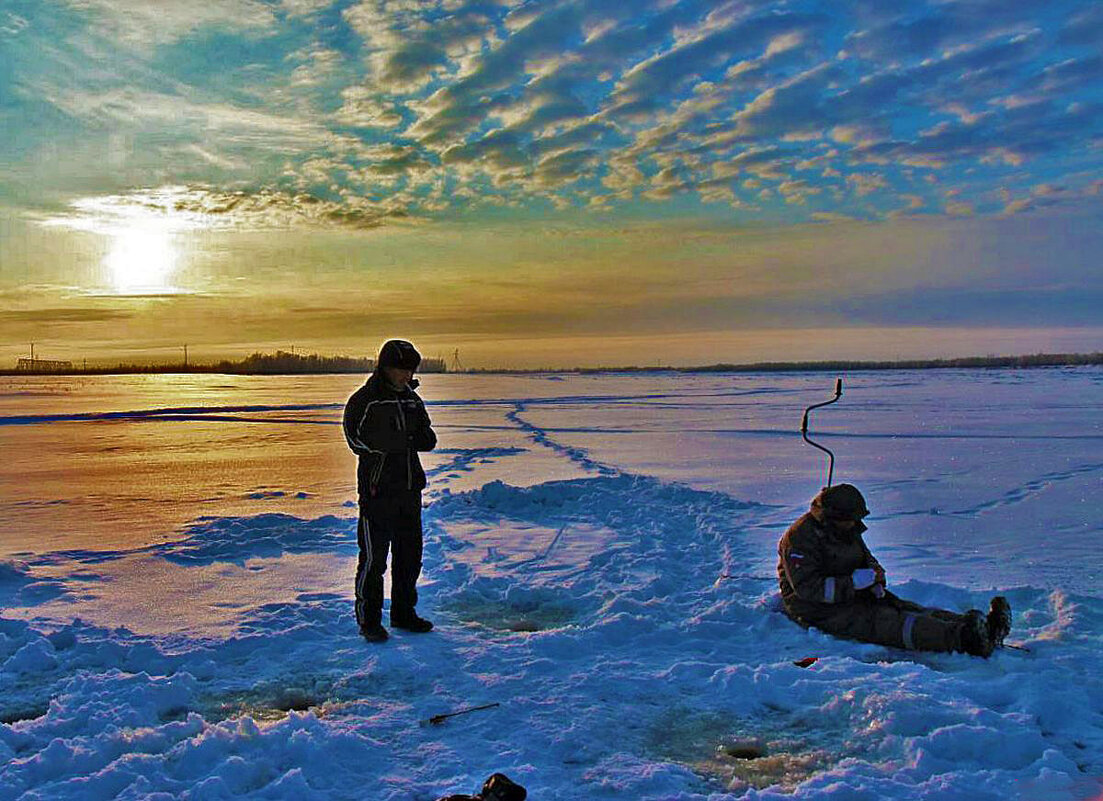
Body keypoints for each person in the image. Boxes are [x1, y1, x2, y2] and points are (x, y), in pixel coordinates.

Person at [777, 484, 1011, 657]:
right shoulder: (800, 539)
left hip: (852, 595)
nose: (855, 525)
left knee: (908, 609)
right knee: (888, 623)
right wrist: (854, 583)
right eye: (850, 520)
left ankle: (980, 628)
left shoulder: (844, 529)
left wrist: (876, 577)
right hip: (818, 609)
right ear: (833, 517)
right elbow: (807, 589)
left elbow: (866, 558)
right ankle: (964, 639)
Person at [343, 339, 437, 642]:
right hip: (377, 491)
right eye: (400, 370)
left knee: (410, 557)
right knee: (373, 560)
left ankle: (403, 613)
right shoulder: (365, 400)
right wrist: (394, 442)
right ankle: (369, 620)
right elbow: (356, 440)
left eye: (409, 371)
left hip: (410, 490)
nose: (405, 376)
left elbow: (427, 436)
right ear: (384, 368)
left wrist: (417, 440)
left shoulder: (412, 400)